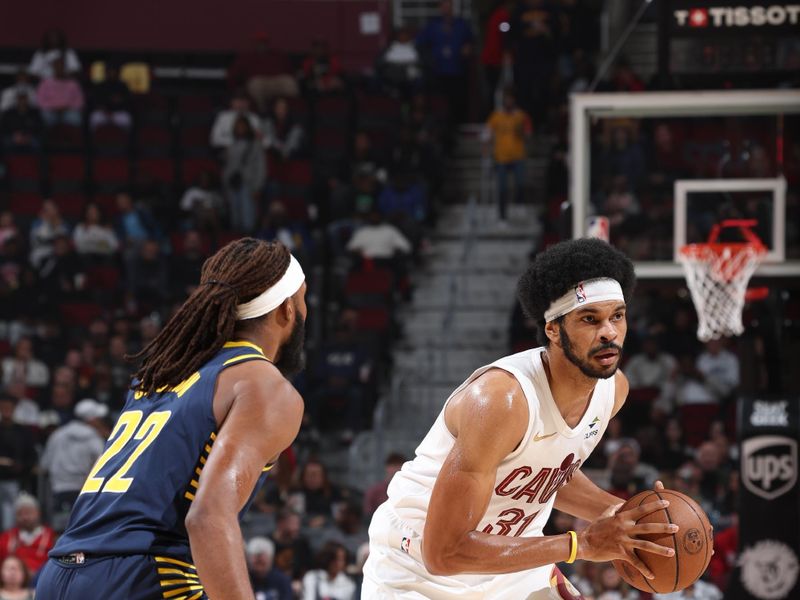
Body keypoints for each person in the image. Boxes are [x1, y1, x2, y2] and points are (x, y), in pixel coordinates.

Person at [363, 238, 678, 598]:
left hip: (510, 559)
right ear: (553, 331)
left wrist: (619, 514)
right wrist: (581, 545)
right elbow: (443, 553)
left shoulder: (612, 390)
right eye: (590, 319)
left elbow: (548, 471)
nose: (609, 332)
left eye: (617, 316)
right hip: (421, 565)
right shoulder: (502, 400)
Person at [36, 238, 307, 599]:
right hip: (142, 573)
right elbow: (208, 518)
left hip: (58, 573)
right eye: (305, 300)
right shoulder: (264, 385)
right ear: (287, 309)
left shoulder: (164, 373)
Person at [40, 398, 109, 515]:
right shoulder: (94, 438)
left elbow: (44, 465)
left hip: (58, 490)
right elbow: (102, 464)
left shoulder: (57, 435)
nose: (100, 421)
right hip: (85, 493)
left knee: (60, 530)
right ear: (91, 419)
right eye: (98, 418)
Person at [484, 87, 532, 224]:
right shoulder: (496, 116)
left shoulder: (521, 116)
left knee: (521, 183)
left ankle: (519, 204)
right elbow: (487, 134)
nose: (509, 101)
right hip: (501, 157)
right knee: (502, 188)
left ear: (514, 100)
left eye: (511, 99)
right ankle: (502, 216)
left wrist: (521, 132)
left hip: (518, 156)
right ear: (503, 100)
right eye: (506, 99)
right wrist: (486, 151)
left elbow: (528, 135)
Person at [223, 116, 267, 233]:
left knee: (248, 220)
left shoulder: (255, 145)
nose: (240, 128)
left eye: (242, 126)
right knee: (235, 219)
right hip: (233, 185)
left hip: (248, 185)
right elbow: (228, 167)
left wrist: (258, 186)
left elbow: (261, 167)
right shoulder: (232, 146)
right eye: (238, 126)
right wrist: (226, 184)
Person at [0, 494, 55, 576]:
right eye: (20, 514)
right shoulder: (6, 538)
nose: (25, 517)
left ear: (38, 513)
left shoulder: (52, 537)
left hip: (43, 580)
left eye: (29, 512)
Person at [35, 57, 84, 127]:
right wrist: (54, 107)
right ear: (53, 68)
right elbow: (40, 100)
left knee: (75, 118)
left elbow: (79, 101)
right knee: (46, 117)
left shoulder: (73, 83)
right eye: (57, 66)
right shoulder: (45, 82)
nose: (59, 68)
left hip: (68, 111)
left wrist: (66, 107)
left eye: (61, 66)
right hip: (51, 111)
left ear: (65, 68)